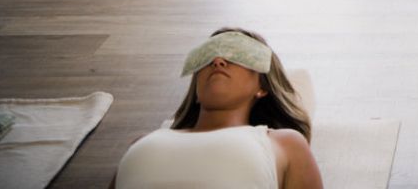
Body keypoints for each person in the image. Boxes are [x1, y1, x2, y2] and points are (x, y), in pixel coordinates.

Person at [113, 28, 323, 188]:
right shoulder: (142, 142)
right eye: (209, 55)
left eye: (237, 54)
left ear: (262, 87)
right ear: (196, 88)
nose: (218, 60)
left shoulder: (285, 143)